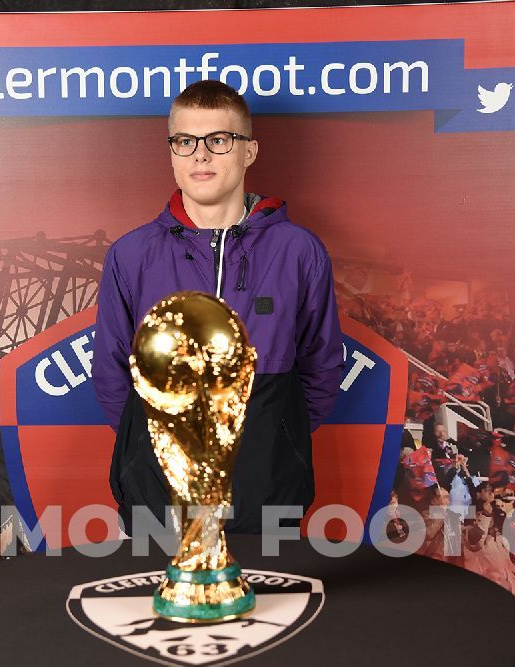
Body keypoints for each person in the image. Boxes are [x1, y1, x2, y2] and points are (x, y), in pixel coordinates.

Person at [92, 80, 344, 534]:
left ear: (249, 151)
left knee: (271, 586)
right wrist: (144, 449)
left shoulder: (298, 250)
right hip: (157, 497)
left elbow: (321, 364)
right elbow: (111, 371)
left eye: (219, 140)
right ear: (172, 153)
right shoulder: (131, 255)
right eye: (185, 141)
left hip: (268, 494)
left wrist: (278, 438)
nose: (201, 156)